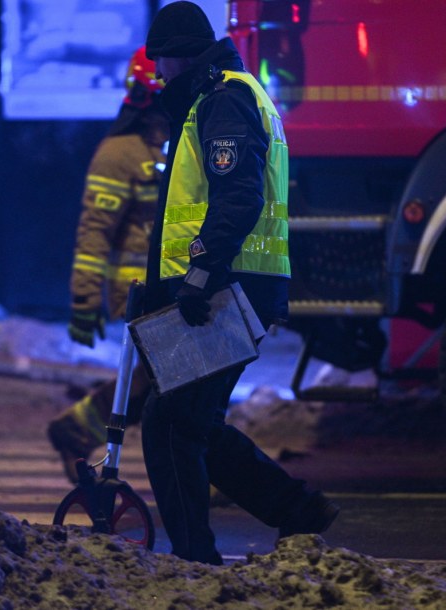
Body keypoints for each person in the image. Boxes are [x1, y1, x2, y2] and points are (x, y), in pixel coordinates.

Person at [139, 1, 340, 564]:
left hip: (228, 289)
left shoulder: (223, 100)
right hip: (236, 285)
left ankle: (195, 561)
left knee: (171, 424)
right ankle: (299, 512)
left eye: (161, 63)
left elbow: (239, 197)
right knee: (192, 420)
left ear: (181, 58)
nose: (158, 75)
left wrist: (199, 275)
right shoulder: (229, 94)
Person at [47, 46, 167, 483]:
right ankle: (77, 431)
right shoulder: (119, 154)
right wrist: (83, 298)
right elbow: (93, 233)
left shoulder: (179, 146)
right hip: (138, 289)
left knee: (165, 381)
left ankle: (74, 431)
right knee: (173, 379)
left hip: (173, 287)